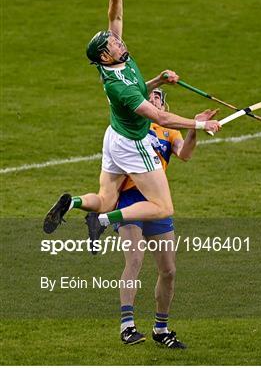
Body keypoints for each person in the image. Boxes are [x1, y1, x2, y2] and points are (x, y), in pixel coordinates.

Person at [43, 0, 220, 237]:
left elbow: (115, 17)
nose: (117, 41)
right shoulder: (120, 88)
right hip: (131, 143)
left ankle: (73, 203)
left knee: (105, 198)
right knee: (162, 207)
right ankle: (102, 221)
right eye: (112, 43)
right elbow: (159, 118)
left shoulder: (117, 60)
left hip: (113, 136)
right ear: (104, 57)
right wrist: (199, 123)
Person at [87, 88, 217, 347]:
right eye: (150, 96)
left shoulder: (170, 132)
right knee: (134, 259)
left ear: (164, 106)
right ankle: (127, 326)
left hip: (157, 205)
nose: (154, 98)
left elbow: (185, 154)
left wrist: (195, 128)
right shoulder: (131, 126)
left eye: (158, 97)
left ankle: (161, 329)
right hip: (130, 202)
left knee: (168, 270)